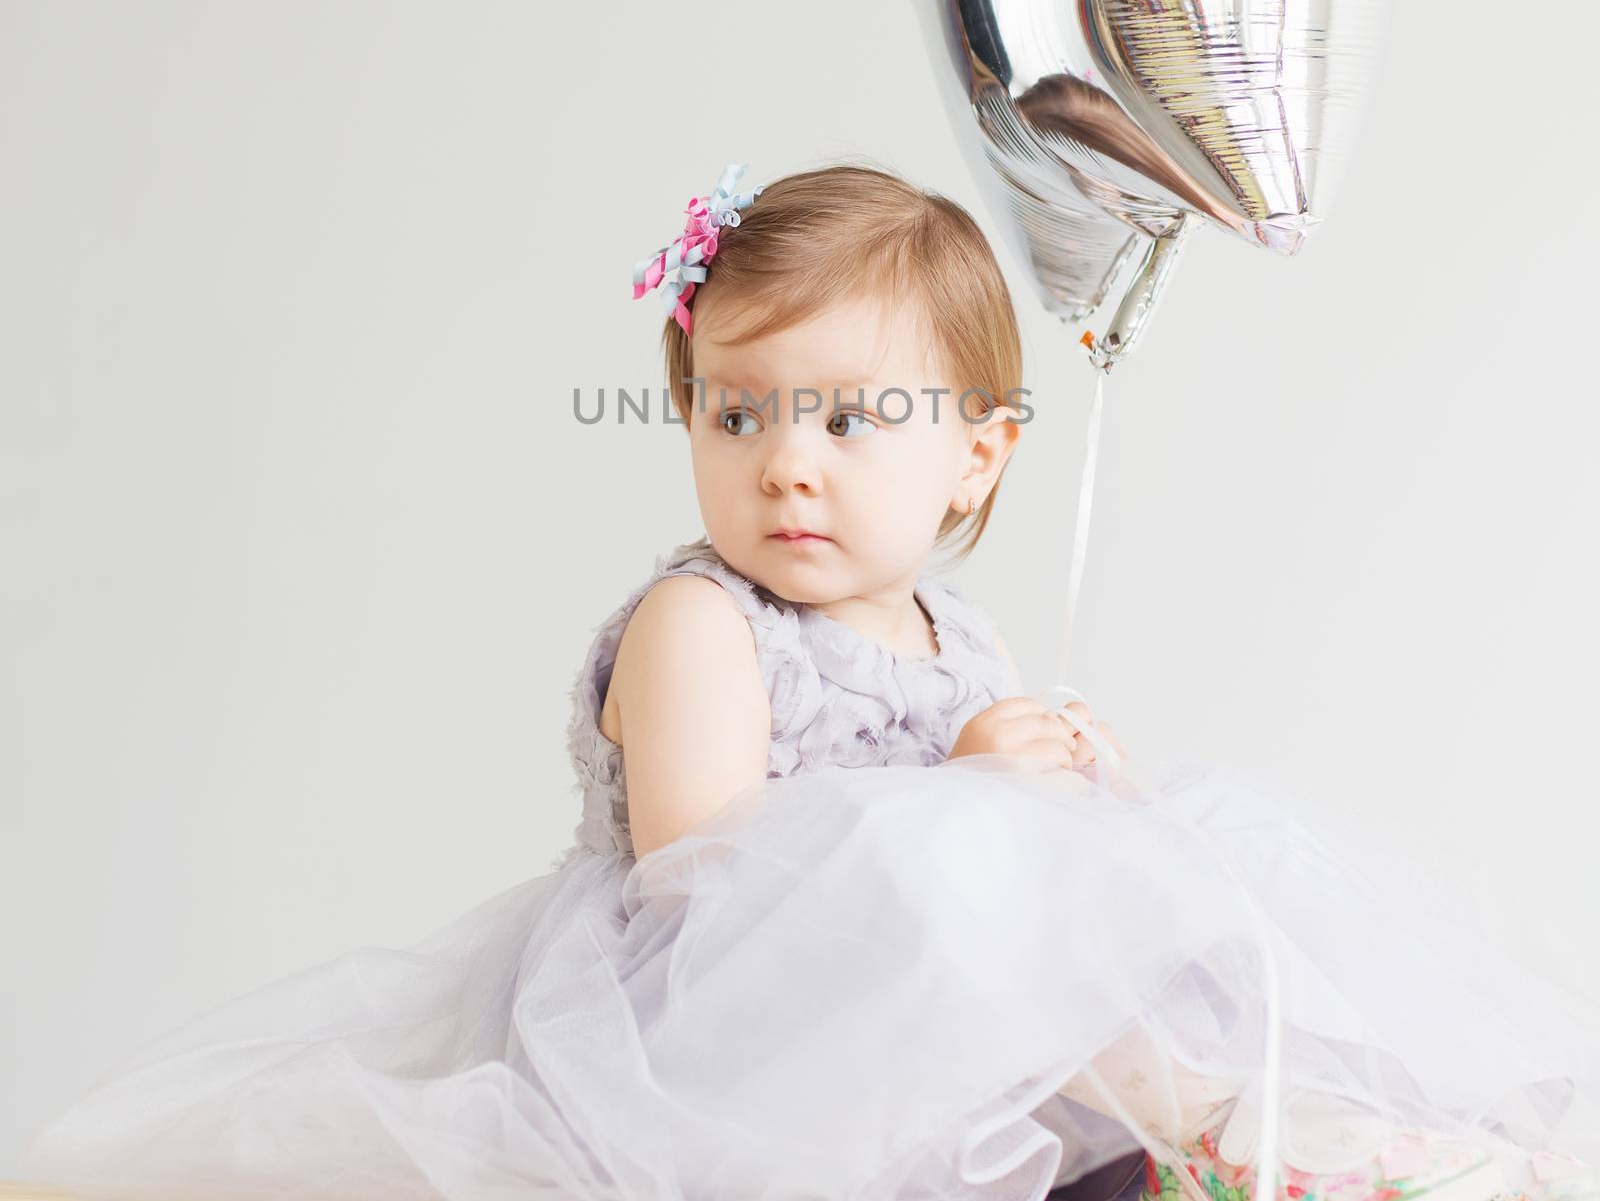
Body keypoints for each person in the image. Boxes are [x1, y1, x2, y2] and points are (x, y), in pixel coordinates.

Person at [17, 161, 1600, 1201]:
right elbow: (717, 878)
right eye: (737, 415)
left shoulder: (957, 639)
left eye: (847, 421)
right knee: (981, 866)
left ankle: (1247, 1109)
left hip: (910, 1041)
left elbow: (993, 880)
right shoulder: (698, 626)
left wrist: (1063, 795)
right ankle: (1221, 1123)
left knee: (1187, 832)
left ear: (976, 454)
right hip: (702, 1047)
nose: (784, 466)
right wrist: (973, 805)